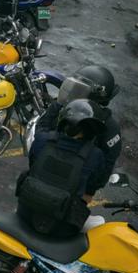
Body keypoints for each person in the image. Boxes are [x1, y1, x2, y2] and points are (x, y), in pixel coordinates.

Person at [17, 99, 107, 238]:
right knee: (100, 223)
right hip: (62, 230)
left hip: (24, 214)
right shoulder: (95, 155)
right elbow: (91, 190)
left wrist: (58, 102)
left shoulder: (42, 139)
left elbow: (33, 164)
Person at [37, 65, 122, 195]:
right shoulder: (109, 128)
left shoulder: (62, 112)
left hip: (42, 182)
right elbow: (104, 170)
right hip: (72, 193)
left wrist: (57, 105)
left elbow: (40, 130)